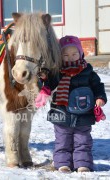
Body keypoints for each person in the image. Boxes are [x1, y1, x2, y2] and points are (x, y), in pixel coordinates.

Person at [35, 35, 107, 173]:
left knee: (83, 140)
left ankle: (83, 164)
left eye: (74, 54)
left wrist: (100, 97)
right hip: (62, 113)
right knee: (63, 140)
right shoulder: (57, 73)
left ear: (80, 53)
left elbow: (98, 86)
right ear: (60, 56)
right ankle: (63, 163)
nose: (70, 57)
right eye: (66, 54)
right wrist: (44, 89)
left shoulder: (88, 71)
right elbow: (49, 84)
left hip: (84, 113)